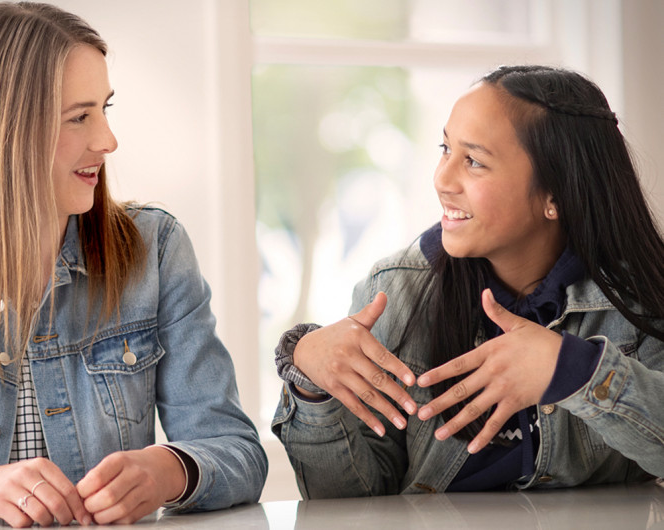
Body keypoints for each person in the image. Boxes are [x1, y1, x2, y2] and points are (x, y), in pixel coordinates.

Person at [0, 2, 266, 525]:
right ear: (2, 131)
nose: (107, 140)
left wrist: (165, 469)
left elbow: (237, 450)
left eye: (105, 108)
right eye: (79, 117)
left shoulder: (157, 248)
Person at [272, 65, 664, 498]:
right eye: (445, 149)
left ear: (556, 194)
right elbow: (345, 501)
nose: (441, 180)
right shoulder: (396, 290)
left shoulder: (641, 297)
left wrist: (576, 371)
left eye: (474, 161)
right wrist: (309, 379)